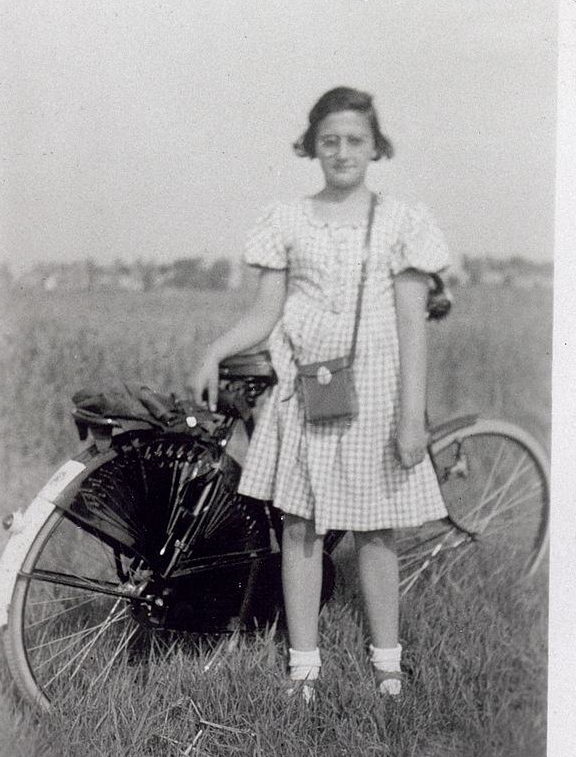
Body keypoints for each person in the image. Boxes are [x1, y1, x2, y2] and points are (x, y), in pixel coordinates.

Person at [189, 86, 449, 702]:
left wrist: (411, 417)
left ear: (375, 147)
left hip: (379, 396)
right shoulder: (286, 219)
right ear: (312, 146)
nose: (341, 152)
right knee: (301, 529)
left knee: (377, 532)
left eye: (354, 140)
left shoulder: (403, 222)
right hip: (305, 393)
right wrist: (214, 350)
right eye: (329, 140)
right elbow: (266, 311)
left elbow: (414, 327)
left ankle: (388, 662)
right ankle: (303, 667)